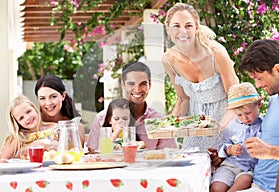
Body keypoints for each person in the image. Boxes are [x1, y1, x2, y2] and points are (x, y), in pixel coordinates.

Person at [162, 3, 239, 150]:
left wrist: (219, 129)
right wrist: (168, 124)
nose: (182, 31)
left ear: (196, 28)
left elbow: (236, 99)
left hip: (225, 128)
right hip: (194, 132)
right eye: (176, 26)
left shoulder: (217, 53)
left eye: (188, 25)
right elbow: (183, 99)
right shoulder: (168, 59)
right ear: (168, 29)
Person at [236, 39, 279, 192]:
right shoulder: (275, 98)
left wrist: (271, 151)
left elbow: (270, 149)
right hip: (257, 183)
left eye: (259, 78)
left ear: (277, 69)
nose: (258, 85)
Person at [87, 61, 178, 152]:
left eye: (143, 84)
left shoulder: (159, 120)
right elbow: (93, 157)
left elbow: (170, 154)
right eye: (131, 84)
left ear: (149, 85)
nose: (137, 90)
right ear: (123, 84)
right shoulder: (101, 118)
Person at [210, 82, 263, 192]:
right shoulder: (232, 125)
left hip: (249, 168)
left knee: (245, 181)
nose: (245, 118)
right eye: (239, 115)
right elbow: (222, 146)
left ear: (259, 105)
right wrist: (229, 149)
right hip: (230, 165)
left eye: (248, 113)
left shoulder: (265, 124)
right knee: (216, 187)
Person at [0, 95, 58, 161]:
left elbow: (68, 149)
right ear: (17, 123)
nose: (27, 118)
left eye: (28, 111)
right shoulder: (18, 137)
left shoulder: (54, 128)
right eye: (21, 118)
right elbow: (2, 160)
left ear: (34, 108)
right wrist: (33, 145)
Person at [34, 75, 85, 147]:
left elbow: (74, 153)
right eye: (42, 98)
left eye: (53, 97)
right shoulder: (33, 124)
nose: (48, 103)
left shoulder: (75, 126)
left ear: (63, 96)